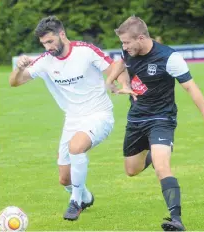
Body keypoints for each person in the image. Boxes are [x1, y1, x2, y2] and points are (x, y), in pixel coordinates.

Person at [9, 15, 134, 221]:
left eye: (50, 41)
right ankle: (85, 196)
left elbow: (115, 68)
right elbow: (15, 82)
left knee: (76, 147)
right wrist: (18, 69)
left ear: (62, 34)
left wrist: (123, 84)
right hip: (73, 119)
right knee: (64, 179)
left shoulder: (85, 51)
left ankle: (75, 202)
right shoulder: (45, 61)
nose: (47, 47)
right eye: (43, 43)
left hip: (99, 114)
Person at [106, 16, 204, 231]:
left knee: (162, 167)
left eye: (126, 42)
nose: (124, 47)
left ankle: (176, 219)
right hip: (136, 119)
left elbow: (192, 89)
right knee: (131, 170)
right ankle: (159, 149)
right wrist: (111, 81)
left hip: (162, 118)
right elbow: (120, 63)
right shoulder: (128, 52)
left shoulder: (169, 57)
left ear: (141, 38)